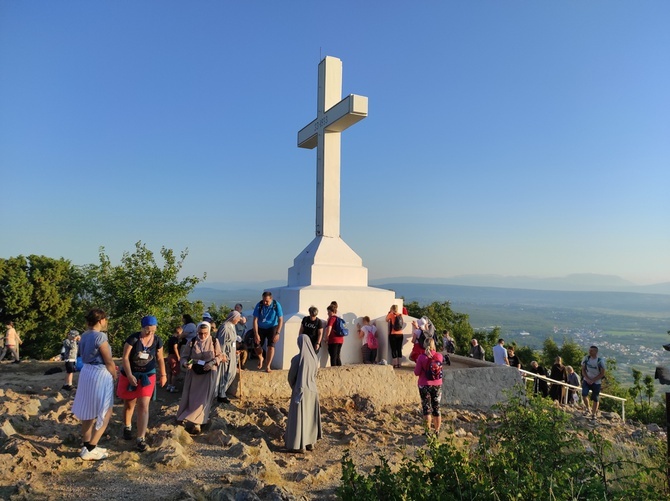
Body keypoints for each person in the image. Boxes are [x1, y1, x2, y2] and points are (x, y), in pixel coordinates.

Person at [71, 308, 116, 461]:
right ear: (101, 320)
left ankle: (86, 444)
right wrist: (114, 374)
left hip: (86, 372)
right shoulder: (100, 336)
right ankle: (91, 447)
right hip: (100, 373)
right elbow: (108, 360)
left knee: (87, 410)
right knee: (106, 411)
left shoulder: (84, 335)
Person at [117, 316, 167, 452]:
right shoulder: (133, 339)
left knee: (144, 405)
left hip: (148, 375)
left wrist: (163, 374)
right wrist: (129, 375)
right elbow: (125, 358)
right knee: (129, 404)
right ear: (142, 328)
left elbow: (160, 358)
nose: (150, 333)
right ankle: (127, 426)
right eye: (147, 330)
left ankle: (141, 438)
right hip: (131, 374)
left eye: (153, 330)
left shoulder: (157, 341)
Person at [177, 321, 223, 434]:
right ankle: (186, 417)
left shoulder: (214, 341)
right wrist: (185, 364)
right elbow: (184, 357)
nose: (202, 336)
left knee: (203, 399)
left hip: (208, 374)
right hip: (194, 373)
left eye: (205, 333)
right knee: (191, 397)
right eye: (200, 333)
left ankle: (198, 423)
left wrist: (212, 363)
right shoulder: (192, 342)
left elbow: (220, 355)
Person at [285, 334, 322, 453]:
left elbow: (291, 377)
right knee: (310, 418)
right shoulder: (315, 358)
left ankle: (299, 446)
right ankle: (310, 443)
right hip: (313, 390)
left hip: (300, 390)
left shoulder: (298, 358)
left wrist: (294, 386)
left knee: (299, 418)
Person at [413, 337, 443, 435]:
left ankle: (427, 430)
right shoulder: (439, 356)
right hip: (437, 384)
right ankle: (437, 430)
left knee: (427, 408)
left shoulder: (421, 357)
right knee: (436, 408)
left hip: (424, 384)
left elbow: (416, 372)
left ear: (425, 345)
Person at [252, 291, 284, 372]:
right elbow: (255, 320)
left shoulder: (276, 305)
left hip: (272, 327)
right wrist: (256, 334)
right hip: (261, 327)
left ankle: (268, 365)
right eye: (264, 300)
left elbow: (280, 319)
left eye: (267, 301)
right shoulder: (259, 305)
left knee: (271, 346)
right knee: (256, 345)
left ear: (271, 299)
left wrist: (278, 333)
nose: (265, 302)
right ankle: (261, 358)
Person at [216, 310, 243, 403]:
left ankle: (223, 392)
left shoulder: (232, 326)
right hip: (225, 354)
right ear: (234, 318)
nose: (239, 320)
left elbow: (232, 342)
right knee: (224, 373)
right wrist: (221, 354)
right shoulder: (225, 327)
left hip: (231, 352)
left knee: (231, 373)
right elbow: (221, 342)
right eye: (238, 318)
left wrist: (235, 351)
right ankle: (221, 394)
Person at [581, 346, 606, 420]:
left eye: (591, 351)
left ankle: (593, 413)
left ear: (596, 352)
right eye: (589, 350)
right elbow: (583, 370)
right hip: (587, 380)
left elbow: (602, 373)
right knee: (584, 394)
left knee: (595, 398)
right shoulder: (586, 359)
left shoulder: (600, 361)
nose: (590, 352)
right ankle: (588, 408)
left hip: (596, 382)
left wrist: (593, 380)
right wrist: (587, 378)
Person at [165, 326, 182, 393]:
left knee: (169, 372)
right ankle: (173, 387)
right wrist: (178, 356)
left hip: (169, 356)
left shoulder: (170, 338)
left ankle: (168, 385)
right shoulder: (175, 339)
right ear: (178, 332)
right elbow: (175, 347)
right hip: (174, 357)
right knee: (174, 372)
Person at [233, 303, 249, 368]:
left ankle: (242, 364)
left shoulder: (243, 315)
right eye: (235, 307)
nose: (236, 309)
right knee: (234, 350)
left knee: (244, 350)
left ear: (241, 309)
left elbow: (243, 321)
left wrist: (236, 318)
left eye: (238, 308)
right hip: (233, 339)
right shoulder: (232, 315)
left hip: (241, 338)